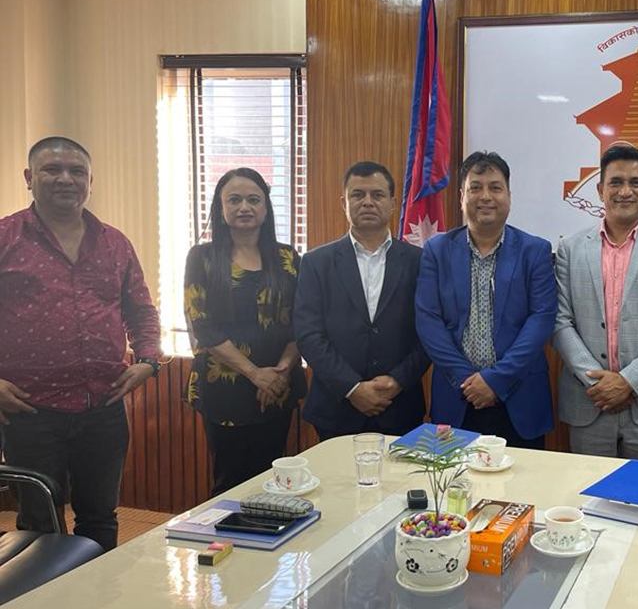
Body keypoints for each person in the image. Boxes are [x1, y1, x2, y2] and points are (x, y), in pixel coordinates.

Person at [0, 136, 161, 551]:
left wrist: (147, 359)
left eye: (76, 171)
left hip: (103, 408)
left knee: (101, 518)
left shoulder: (114, 242)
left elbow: (141, 309)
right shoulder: (5, 238)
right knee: (40, 522)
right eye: (52, 170)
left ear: (90, 180)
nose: (65, 179)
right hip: (29, 410)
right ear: (29, 178)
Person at [552, 145, 638, 461]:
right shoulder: (571, 249)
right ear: (601, 190)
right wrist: (601, 385)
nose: (625, 191)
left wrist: (628, 381)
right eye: (615, 182)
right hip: (589, 402)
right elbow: (560, 323)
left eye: (635, 182)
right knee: (589, 503)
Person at [415, 151, 556, 448]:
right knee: (455, 490)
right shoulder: (437, 250)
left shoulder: (535, 250)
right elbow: (428, 321)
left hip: (519, 397)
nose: (485, 196)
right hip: (458, 397)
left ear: (509, 195)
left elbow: (541, 320)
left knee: (523, 490)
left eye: (495, 187)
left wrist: (494, 380)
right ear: (461, 196)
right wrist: (470, 381)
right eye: (475, 187)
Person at [183, 168, 305, 495]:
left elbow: (303, 320)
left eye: (253, 199)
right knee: (230, 483)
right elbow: (203, 326)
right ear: (221, 210)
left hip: (278, 387)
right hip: (226, 391)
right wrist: (255, 374)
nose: (244, 207)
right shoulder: (202, 258)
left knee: (275, 480)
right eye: (233, 200)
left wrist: (278, 373)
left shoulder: (287, 257)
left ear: (265, 208)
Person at [294, 162, 428, 440]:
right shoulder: (316, 262)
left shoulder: (419, 261)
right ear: (344, 202)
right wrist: (353, 388)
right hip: (336, 407)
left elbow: (429, 332)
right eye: (358, 195)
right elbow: (308, 334)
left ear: (392, 204)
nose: (367, 202)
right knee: (336, 484)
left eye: (377, 195)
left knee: (398, 484)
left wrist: (398, 380)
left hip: (400, 406)